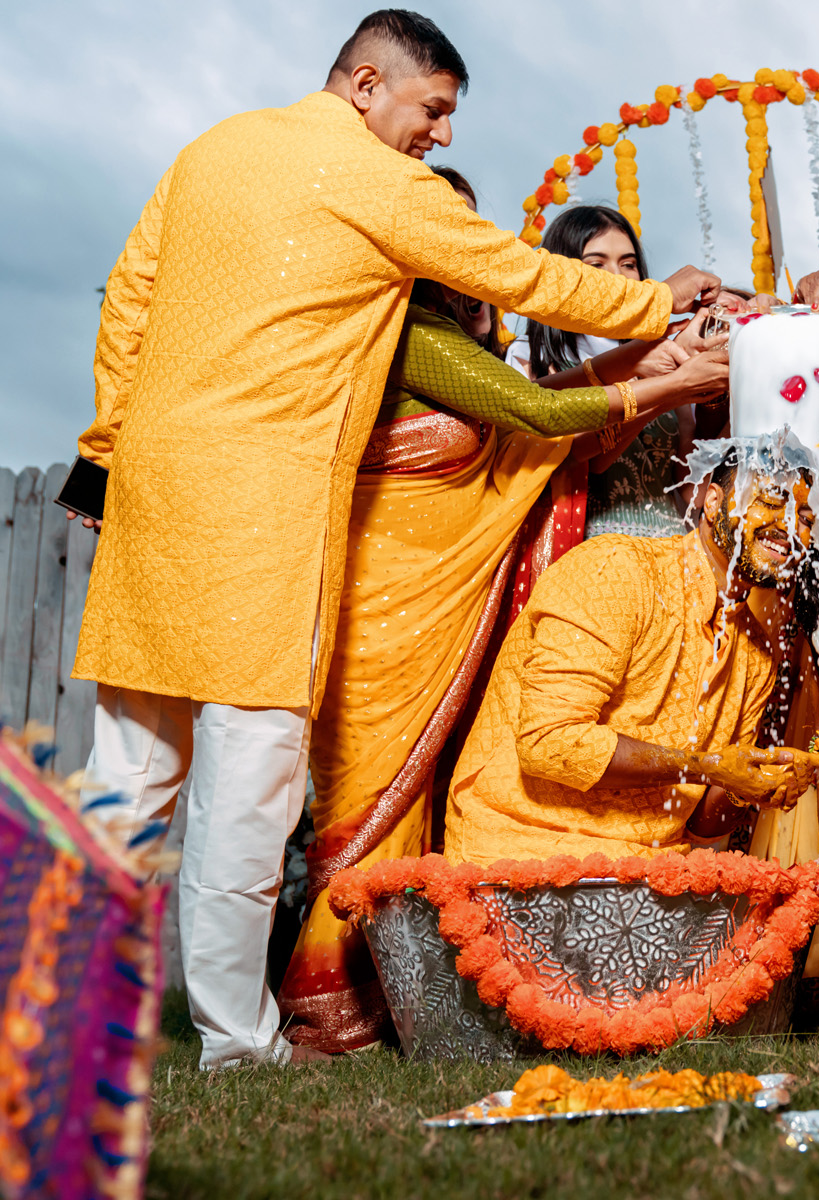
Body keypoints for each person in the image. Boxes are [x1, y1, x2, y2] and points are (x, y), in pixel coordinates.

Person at [74, 9, 721, 1069]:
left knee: (129, 775)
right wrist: (653, 300)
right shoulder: (381, 182)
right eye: (433, 109)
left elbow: (131, 305)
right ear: (367, 84)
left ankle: (50, 1013)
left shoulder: (212, 148)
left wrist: (106, 451)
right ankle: (237, 1040)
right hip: (262, 513)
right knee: (249, 779)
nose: (442, 137)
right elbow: (528, 279)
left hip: (152, 496)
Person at [276, 167, 730, 1054]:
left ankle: (411, 996)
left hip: (456, 608)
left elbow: (541, 412)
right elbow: (532, 408)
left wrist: (658, 357)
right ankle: (326, 1006)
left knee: (422, 802)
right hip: (386, 616)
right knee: (368, 810)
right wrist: (663, 379)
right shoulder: (408, 335)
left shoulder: (457, 340)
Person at [442, 454, 819, 864]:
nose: (790, 527)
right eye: (770, 501)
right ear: (713, 502)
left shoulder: (757, 652)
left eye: (805, 517)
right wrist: (707, 767)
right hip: (520, 848)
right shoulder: (617, 571)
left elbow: (702, 826)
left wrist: (745, 786)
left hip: (651, 875)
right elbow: (547, 743)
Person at [513, 206, 707, 540]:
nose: (618, 277)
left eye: (629, 264)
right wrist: (664, 384)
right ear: (562, 275)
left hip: (671, 550)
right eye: (597, 264)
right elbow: (583, 459)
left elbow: (693, 493)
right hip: (585, 549)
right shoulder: (532, 361)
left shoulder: (665, 353)